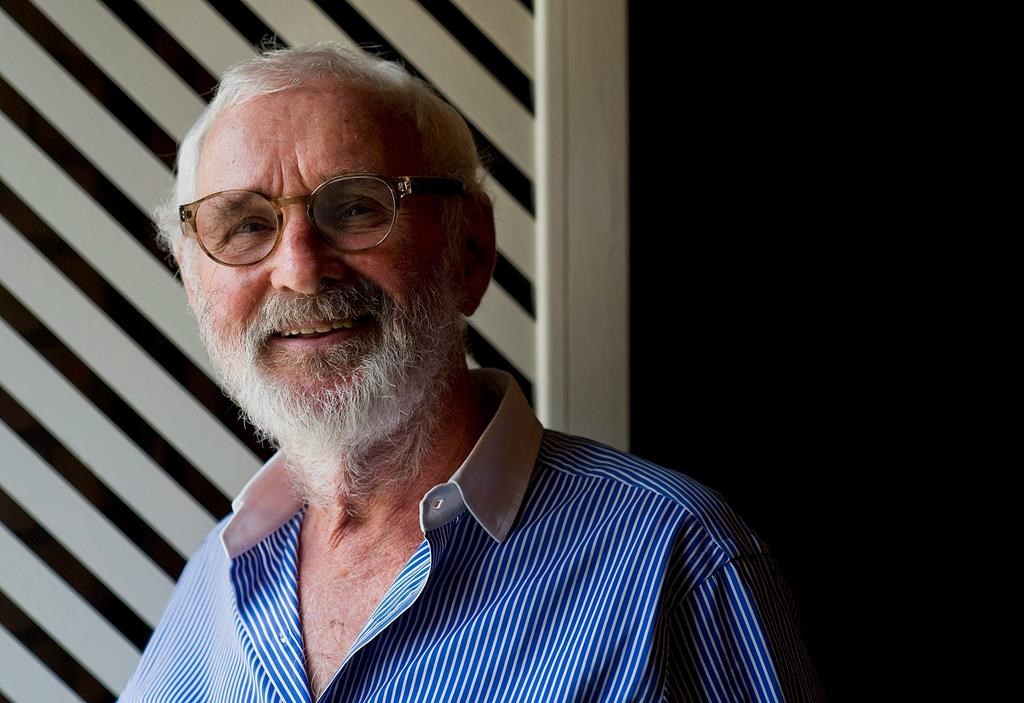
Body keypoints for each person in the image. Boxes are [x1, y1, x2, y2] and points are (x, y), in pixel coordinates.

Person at [119, 43, 823, 702]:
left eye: (358, 207)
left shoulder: (680, 559)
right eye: (244, 225)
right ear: (193, 281)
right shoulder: (221, 570)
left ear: (471, 250)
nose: (301, 269)